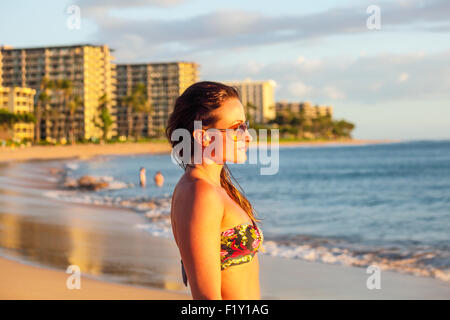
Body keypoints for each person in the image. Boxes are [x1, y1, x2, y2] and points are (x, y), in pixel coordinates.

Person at [166, 81, 264, 300]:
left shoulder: (210, 188)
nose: (247, 136)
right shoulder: (200, 193)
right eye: (237, 128)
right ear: (204, 136)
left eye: (245, 125)